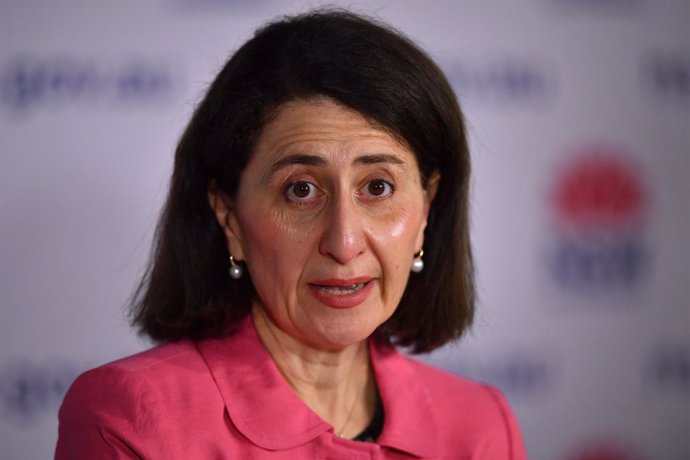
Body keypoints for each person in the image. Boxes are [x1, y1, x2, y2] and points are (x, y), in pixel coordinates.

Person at [56, 9, 526, 459]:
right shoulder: (132, 419)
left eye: (378, 187)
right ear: (230, 218)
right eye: (300, 190)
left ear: (426, 208)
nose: (343, 243)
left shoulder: (481, 424)